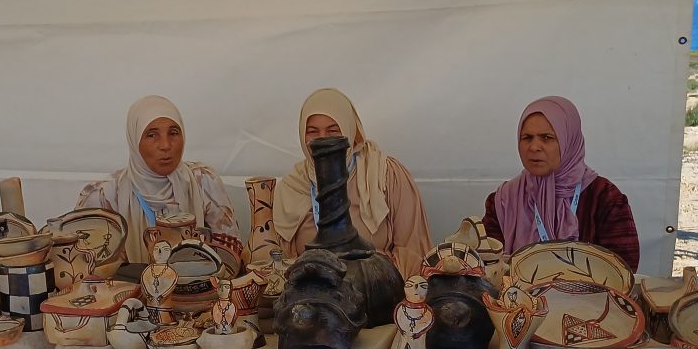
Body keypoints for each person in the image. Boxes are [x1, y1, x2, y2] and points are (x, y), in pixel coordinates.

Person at [272, 88, 433, 278]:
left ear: (349, 130)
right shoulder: (291, 187)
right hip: (315, 289)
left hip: (376, 287)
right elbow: (279, 262)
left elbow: (413, 251)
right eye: (312, 131)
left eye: (333, 130)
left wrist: (368, 280)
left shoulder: (385, 175)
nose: (323, 139)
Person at [482, 96, 640, 271]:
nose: (534, 147)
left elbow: (624, 268)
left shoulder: (604, 198)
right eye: (527, 137)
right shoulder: (504, 200)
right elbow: (486, 264)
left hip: (588, 290)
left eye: (546, 137)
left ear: (569, 141)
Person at [77, 95, 239, 263]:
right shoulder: (104, 196)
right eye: (151, 135)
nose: (165, 145)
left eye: (173, 133)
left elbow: (230, 254)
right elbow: (82, 264)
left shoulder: (203, 181)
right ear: (134, 140)